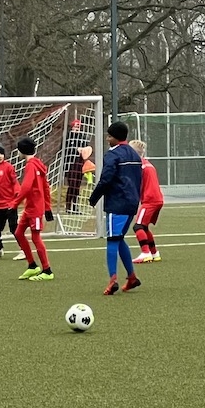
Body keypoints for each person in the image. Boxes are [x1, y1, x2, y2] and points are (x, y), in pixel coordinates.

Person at [88, 122, 142, 295]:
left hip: (117, 202)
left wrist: (94, 198)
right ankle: (132, 277)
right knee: (119, 238)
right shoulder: (134, 154)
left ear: (116, 137)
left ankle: (113, 280)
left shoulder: (113, 154)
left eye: (109, 136)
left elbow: (106, 179)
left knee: (112, 240)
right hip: (132, 202)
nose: (107, 139)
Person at [11, 136, 56, 281]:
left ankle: (47, 270)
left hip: (35, 209)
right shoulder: (37, 164)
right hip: (30, 208)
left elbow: (26, 187)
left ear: (22, 150)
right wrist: (47, 207)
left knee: (35, 237)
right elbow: (46, 187)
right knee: (18, 233)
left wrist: (14, 204)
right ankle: (32, 265)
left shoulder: (31, 165)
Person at [131, 139, 164, 263]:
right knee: (144, 227)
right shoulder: (147, 164)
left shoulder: (139, 166)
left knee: (138, 226)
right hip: (157, 199)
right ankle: (154, 253)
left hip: (150, 200)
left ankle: (145, 253)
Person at [63, 118, 91, 213]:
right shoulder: (68, 137)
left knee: (77, 186)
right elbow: (64, 149)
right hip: (70, 164)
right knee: (72, 185)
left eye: (79, 126)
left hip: (79, 164)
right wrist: (76, 149)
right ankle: (68, 206)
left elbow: (86, 149)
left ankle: (75, 206)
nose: (77, 128)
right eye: (76, 126)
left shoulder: (82, 137)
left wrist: (85, 150)